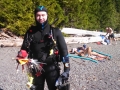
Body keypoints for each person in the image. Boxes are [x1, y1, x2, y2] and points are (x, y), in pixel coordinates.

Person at [16, 6, 70, 90]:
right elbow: (24, 49)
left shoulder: (55, 32)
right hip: (36, 69)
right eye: (38, 15)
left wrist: (67, 70)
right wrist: (20, 56)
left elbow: (64, 52)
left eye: (43, 15)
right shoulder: (30, 32)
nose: (40, 18)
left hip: (52, 68)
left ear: (47, 15)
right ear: (35, 16)